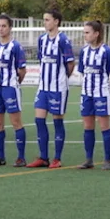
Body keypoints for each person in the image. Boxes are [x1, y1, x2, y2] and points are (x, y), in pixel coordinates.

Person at [29, 9, 75, 169]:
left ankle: (57, 158)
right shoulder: (42, 39)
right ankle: (43, 157)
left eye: (47, 19)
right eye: (44, 20)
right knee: (39, 120)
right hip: (43, 87)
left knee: (57, 122)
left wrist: (62, 79)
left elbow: (70, 63)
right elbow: (42, 60)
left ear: (56, 21)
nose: (45, 23)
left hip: (58, 88)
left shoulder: (63, 40)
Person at [77, 20, 110, 170]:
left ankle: (107, 160)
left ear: (96, 34)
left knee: (104, 126)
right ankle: (89, 159)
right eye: (84, 32)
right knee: (88, 126)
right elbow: (82, 71)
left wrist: (108, 89)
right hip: (86, 93)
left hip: (102, 94)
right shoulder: (84, 51)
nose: (85, 35)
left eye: (87, 32)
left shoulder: (107, 52)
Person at [0, 14, 28, 167]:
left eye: (4, 26)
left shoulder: (16, 46)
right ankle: (0, 157)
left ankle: (21, 157)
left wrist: (15, 84)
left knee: (16, 122)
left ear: (10, 28)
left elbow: (22, 70)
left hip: (10, 88)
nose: (1, 29)